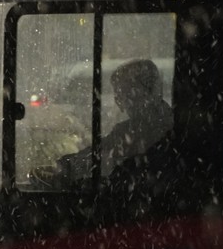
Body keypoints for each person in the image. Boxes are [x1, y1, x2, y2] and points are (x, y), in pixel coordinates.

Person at [35, 58, 172, 185]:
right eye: (118, 97)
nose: (120, 105)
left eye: (124, 94)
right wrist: (66, 167)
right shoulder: (137, 128)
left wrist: (67, 170)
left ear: (147, 91)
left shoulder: (157, 131)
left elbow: (121, 172)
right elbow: (101, 151)